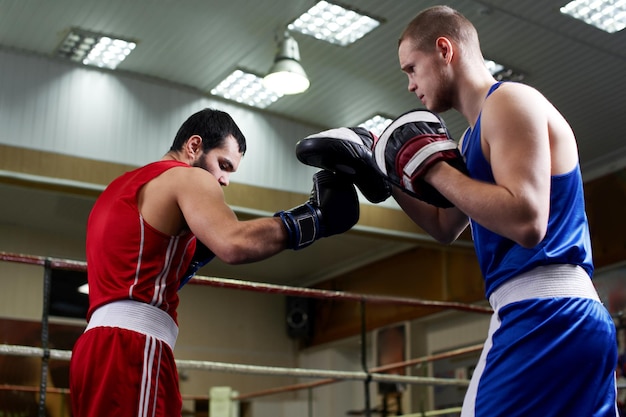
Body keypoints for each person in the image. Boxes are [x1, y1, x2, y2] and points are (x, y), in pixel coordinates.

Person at [389, 5, 618, 417]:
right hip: (558, 316)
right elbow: (445, 225)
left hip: (544, 315)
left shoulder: (510, 100)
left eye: (412, 68)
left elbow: (527, 221)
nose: (410, 85)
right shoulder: (472, 138)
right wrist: (381, 174)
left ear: (444, 49)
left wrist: (433, 169)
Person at [68, 108, 360, 417]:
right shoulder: (188, 176)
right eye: (223, 165)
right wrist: (315, 219)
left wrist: (192, 254)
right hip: (132, 347)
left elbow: (139, 270)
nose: (224, 180)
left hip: (93, 349)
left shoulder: (121, 188)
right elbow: (235, 244)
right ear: (194, 146)